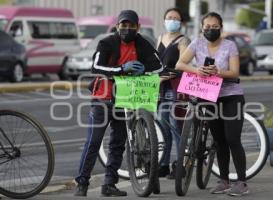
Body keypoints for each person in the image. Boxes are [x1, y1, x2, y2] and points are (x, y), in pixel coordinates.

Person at [74, 10, 163, 197]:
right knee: (93, 141)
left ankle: (109, 184)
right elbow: (96, 67)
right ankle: (82, 183)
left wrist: (143, 68)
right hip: (103, 99)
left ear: (138, 27)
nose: (127, 29)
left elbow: (159, 65)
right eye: (124, 25)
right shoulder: (106, 43)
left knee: (118, 143)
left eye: (132, 26)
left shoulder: (142, 43)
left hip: (126, 100)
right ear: (117, 26)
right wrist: (121, 69)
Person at [175, 12, 249, 196]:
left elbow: (235, 73)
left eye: (215, 27)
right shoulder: (197, 43)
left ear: (221, 28)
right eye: (207, 27)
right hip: (208, 96)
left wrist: (218, 72)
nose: (210, 30)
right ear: (201, 28)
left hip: (231, 96)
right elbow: (180, 64)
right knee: (219, 141)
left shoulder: (230, 45)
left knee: (233, 138)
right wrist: (197, 70)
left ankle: (242, 182)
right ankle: (224, 180)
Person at [156, 7, 190, 179]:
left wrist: (164, 77)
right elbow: (156, 62)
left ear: (181, 22)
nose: (172, 20)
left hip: (175, 88)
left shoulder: (183, 41)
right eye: (169, 17)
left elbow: (182, 66)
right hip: (161, 89)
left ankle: (181, 165)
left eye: (175, 18)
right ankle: (163, 164)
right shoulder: (160, 38)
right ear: (164, 20)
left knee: (175, 127)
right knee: (163, 128)